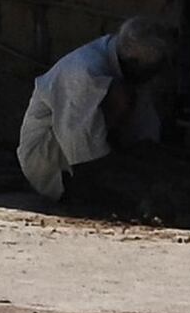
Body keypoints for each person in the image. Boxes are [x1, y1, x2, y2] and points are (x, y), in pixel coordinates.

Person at [15, 13, 179, 205]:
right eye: (153, 69)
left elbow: (145, 133)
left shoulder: (123, 57)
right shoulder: (84, 71)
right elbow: (82, 154)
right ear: (134, 63)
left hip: (94, 154)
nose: (155, 76)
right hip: (53, 163)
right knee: (119, 95)